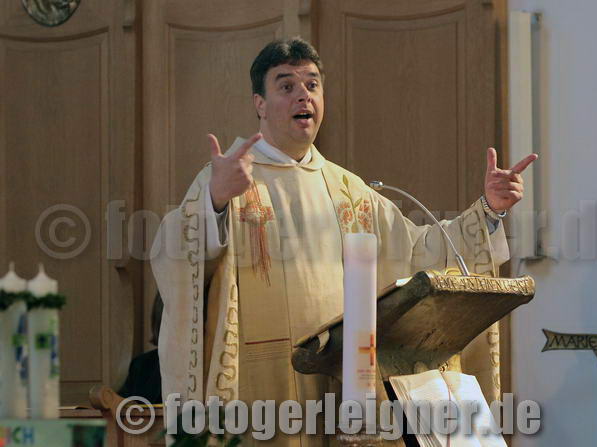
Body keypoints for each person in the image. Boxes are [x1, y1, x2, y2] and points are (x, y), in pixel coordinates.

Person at [151, 37, 536, 445]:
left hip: (339, 386)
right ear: (259, 104)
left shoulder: (349, 191)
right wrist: (215, 201)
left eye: (312, 85)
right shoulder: (230, 179)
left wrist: (488, 211)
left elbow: (421, 253)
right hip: (260, 386)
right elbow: (177, 255)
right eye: (286, 86)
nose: (303, 95)